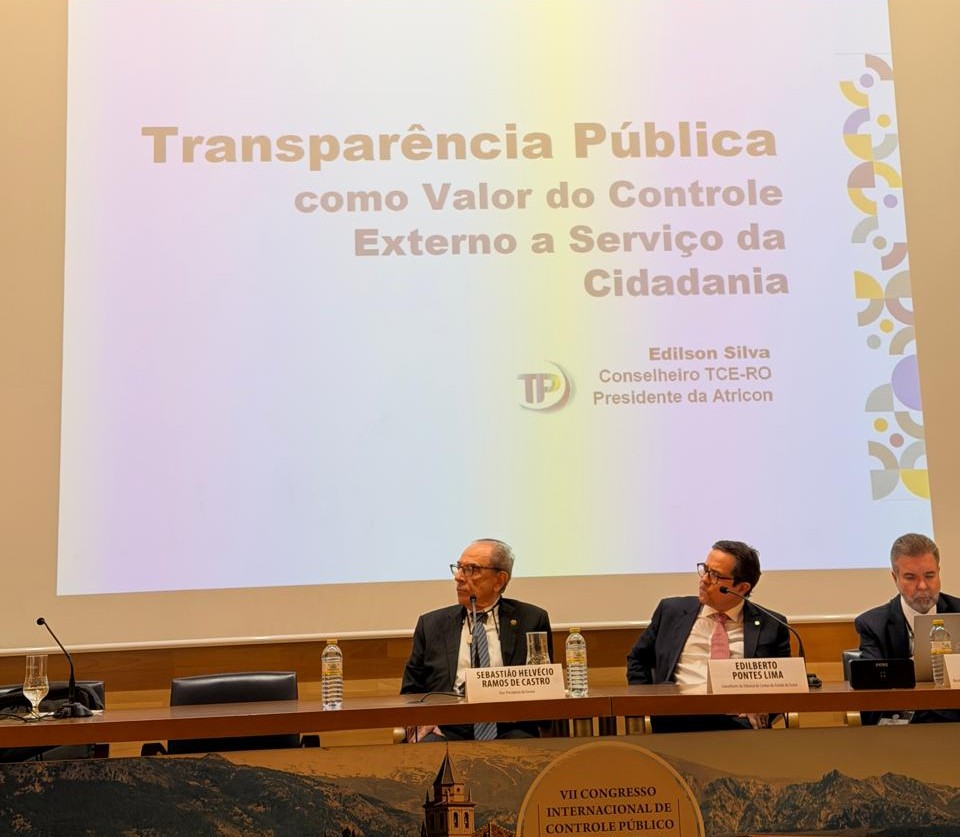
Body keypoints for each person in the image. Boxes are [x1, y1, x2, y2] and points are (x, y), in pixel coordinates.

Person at [626, 539, 792, 732]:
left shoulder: (772, 625)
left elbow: (783, 685)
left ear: (741, 588)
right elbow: (638, 659)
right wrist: (648, 704)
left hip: (738, 724)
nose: (704, 579)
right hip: (677, 717)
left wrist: (762, 707)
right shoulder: (671, 611)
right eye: (705, 570)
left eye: (715, 575)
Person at [400, 538, 552, 741]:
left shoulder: (531, 620)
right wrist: (422, 719)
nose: (459, 577)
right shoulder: (431, 625)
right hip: (446, 726)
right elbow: (411, 690)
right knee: (429, 746)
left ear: (499, 580)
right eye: (459, 568)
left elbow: (544, 684)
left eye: (471, 570)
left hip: (509, 725)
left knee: (525, 747)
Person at [854, 532, 960, 724]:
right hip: (903, 728)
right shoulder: (873, 625)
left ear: (939, 572)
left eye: (929, 576)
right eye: (911, 578)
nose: (922, 586)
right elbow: (872, 698)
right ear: (895, 578)